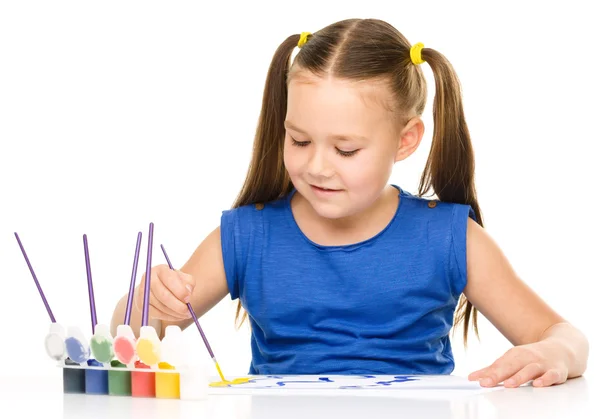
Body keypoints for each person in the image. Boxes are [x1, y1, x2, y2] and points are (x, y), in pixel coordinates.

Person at [110, 18, 589, 388]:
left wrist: (556, 354)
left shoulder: (451, 238)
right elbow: (128, 337)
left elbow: (566, 337)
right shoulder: (246, 236)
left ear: (405, 142)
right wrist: (145, 303)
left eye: (345, 150)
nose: (318, 167)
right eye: (299, 140)